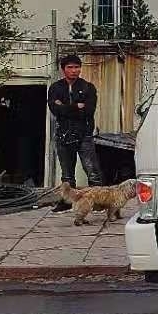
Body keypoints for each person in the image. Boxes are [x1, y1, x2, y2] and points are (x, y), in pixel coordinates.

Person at [48, 54, 101, 211]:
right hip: (64, 134)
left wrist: (64, 107)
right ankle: (67, 201)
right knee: (67, 174)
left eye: (76, 67)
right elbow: (55, 110)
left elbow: (88, 111)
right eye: (70, 67)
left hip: (84, 134)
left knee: (92, 171)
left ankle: (98, 202)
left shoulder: (88, 87)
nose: (73, 70)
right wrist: (75, 106)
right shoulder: (56, 88)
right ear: (63, 69)